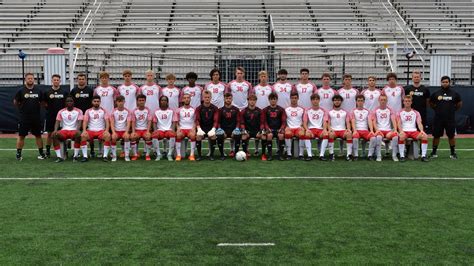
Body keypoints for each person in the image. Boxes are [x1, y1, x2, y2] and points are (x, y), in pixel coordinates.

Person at [13, 73, 46, 161]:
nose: (30, 80)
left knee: (38, 135)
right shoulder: (21, 91)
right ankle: (18, 154)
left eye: (32, 78)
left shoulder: (39, 91)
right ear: (25, 80)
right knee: (21, 136)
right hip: (24, 117)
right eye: (28, 78)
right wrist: (21, 108)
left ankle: (41, 153)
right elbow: (15, 102)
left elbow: (43, 102)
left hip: (36, 117)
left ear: (34, 79)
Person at [429, 76, 462, 159]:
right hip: (438, 119)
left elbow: (459, 104)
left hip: (450, 119)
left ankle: (453, 153)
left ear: (449, 82)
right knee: (436, 136)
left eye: (446, 82)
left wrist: (453, 110)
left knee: (451, 136)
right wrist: (437, 109)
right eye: (443, 82)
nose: (445, 83)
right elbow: (431, 103)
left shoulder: (454, 94)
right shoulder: (436, 93)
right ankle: (434, 152)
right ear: (441, 82)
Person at [397, 95, 429, 162]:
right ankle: (402, 156)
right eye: (406, 101)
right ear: (403, 102)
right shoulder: (400, 112)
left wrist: (422, 131)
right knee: (401, 137)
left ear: (411, 102)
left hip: (413, 131)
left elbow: (419, 123)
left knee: (424, 136)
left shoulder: (416, 112)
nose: (407, 102)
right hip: (404, 131)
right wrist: (401, 131)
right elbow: (399, 123)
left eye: (409, 101)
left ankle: (423, 156)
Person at [43, 74, 68, 158]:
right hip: (51, 116)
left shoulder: (64, 92)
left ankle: (64, 150)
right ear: (52, 81)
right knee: (50, 134)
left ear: (60, 81)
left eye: (57, 80)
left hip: (62, 117)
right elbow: (44, 103)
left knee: (63, 134)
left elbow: (67, 104)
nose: (56, 81)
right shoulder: (47, 92)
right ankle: (47, 151)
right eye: (54, 80)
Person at [51, 96, 83, 162]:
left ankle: (75, 156)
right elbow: (57, 121)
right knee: (54, 135)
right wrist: (55, 130)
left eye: (71, 101)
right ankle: (59, 157)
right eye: (68, 101)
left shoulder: (79, 111)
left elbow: (80, 122)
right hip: (64, 130)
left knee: (79, 134)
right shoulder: (61, 111)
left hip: (74, 130)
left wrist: (77, 130)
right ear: (65, 103)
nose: (69, 102)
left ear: (74, 102)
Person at [80, 96, 111, 162]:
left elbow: (107, 121)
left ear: (100, 102)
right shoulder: (88, 111)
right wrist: (84, 130)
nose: (96, 103)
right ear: (92, 102)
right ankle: (85, 156)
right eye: (95, 101)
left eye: (98, 101)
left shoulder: (103, 111)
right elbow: (85, 121)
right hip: (90, 130)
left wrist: (107, 130)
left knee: (107, 136)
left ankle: (105, 156)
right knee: (83, 136)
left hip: (101, 130)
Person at [371, 94, 399, 162]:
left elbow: (393, 120)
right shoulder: (375, 110)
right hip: (379, 130)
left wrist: (395, 129)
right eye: (381, 100)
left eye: (384, 100)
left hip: (388, 131)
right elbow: (374, 121)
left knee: (395, 136)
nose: (383, 101)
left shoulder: (390, 110)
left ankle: (394, 155)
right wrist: (377, 130)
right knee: (379, 137)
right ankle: (379, 156)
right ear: (379, 101)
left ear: (387, 101)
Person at [260, 92, 286, 161]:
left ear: (277, 100)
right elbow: (264, 121)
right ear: (269, 100)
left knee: (281, 135)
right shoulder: (265, 110)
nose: (273, 100)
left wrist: (282, 128)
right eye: (271, 99)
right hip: (270, 129)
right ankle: (270, 155)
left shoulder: (281, 109)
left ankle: (280, 155)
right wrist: (267, 128)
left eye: (274, 99)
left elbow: (284, 121)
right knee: (269, 135)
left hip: (278, 129)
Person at [303, 94, 329, 161]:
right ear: (311, 101)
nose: (315, 101)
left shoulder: (323, 110)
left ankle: (321, 155)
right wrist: (307, 129)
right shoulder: (307, 110)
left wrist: (325, 129)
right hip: (311, 129)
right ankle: (309, 155)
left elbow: (325, 121)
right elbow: (305, 122)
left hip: (320, 129)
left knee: (326, 134)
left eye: (317, 99)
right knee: (306, 134)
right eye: (313, 99)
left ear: (319, 100)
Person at [327, 95, 353, 161]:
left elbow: (347, 122)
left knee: (349, 134)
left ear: (341, 101)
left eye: (338, 100)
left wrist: (349, 129)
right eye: (335, 100)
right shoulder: (329, 112)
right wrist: (329, 129)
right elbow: (328, 123)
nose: (337, 102)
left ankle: (349, 155)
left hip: (342, 131)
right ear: (333, 101)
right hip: (334, 130)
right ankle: (331, 154)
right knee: (330, 134)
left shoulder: (345, 112)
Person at [350, 95, 376, 160]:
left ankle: (370, 155)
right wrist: (355, 131)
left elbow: (369, 121)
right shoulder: (353, 111)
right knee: (355, 138)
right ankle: (356, 155)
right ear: (356, 102)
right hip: (357, 130)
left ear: (364, 101)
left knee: (373, 138)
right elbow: (353, 121)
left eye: (361, 101)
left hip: (365, 131)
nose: (360, 102)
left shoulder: (367, 111)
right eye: (358, 101)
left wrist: (372, 131)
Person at [195, 91, 219, 161]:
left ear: (211, 98)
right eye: (205, 97)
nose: (207, 99)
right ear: (203, 98)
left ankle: (211, 155)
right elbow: (197, 120)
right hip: (202, 127)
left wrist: (213, 129)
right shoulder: (199, 108)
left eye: (208, 97)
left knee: (213, 137)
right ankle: (199, 156)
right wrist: (199, 129)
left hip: (211, 127)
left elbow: (216, 120)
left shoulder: (215, 108)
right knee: (198, 137)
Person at [216, 93, 241, 160]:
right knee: (219, 136)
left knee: (238, 135)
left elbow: (238, 121)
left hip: (233, 129)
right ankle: (222, 154)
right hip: (224, 130)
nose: (228, 100)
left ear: (232, 99)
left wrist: (237, 128)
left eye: (229, 98)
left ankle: (235, 154)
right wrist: (219, 129)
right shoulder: (220, 110)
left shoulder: (236, 109)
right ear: (224, 99)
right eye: (227, 98)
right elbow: (218, 121)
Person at [152, 96, 176, 161]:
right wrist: (155, 131)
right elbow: (154, 122)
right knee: (154, 135)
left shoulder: (171, 111)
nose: (163, 101)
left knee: (172, 134)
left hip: (169, 129)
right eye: (162, 100)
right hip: (160, 130)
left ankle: (169, 154)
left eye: (165, 100)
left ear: (167, 102)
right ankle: (158, 154)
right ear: (160, 102)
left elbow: (174, 121)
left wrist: (173, 130)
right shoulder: (156, 111)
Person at [130, 94, 153, 161]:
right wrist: (133, 132)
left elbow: (149, 121)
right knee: (132, 137)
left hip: (145, 129)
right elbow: (133, 122)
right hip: (137, 130)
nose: (141, 102)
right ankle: (135, 155)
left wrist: (148, 131)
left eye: (143, 100)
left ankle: (147, 155)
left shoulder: (148, 110)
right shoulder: (134, 111)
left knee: (148, 136)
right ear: (137, 101)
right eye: (140, 100)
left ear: (145, 101)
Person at [174, 93, 197, 161]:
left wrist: (193, 128)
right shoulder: (178, 110)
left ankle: (191, 155)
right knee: (178, 135)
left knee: (193, 135)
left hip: (190, 128)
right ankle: (178, 155)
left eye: (188, 98)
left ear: (190, 99)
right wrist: (178, 128)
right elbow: (176, 121)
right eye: (185, 98)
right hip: (182, 128)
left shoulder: (194, 109)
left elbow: (196, 121)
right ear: (183, 99)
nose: (186, 99)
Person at [239, 94, 262, 158]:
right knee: (244, 135)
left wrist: (260, 131)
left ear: (256, 101)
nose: (252, 101)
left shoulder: (259, 111)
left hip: (257, 130)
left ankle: (259, 152)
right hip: (248, 130)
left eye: (254, 100)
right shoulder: (244, 111)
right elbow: (242, 123)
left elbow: (262, 122)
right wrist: (244, 130)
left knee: (263, 136)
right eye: (250, 100)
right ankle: (245, 152)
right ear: (248, 101)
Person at [284, 92, 306, 160]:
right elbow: (284, 120)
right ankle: (289, 154)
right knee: (287, 133)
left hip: (298, 128)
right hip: (289, 128)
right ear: (290, 99)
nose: (294, 99)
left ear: (298, 99)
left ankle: (301, 154)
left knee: (302, 134)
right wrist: (286, 127)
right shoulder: (286, 109)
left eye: (295, 98)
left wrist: (302, 127)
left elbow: (304, 120)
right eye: (292, 98)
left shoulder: (302, 109)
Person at [110, 95, 131, 162]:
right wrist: (113, 132)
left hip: (124, 131)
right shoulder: (113, 111)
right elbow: (112, 123)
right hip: (116, 131)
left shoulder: (127, 111)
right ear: (116, 102)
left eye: (122, 101)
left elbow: (128, 123)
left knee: (127, 137)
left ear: (124, 102)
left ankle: (127, 156)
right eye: (119, 101)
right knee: (113, 138)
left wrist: (126, 132)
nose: (120, 103)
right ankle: (114, 156)